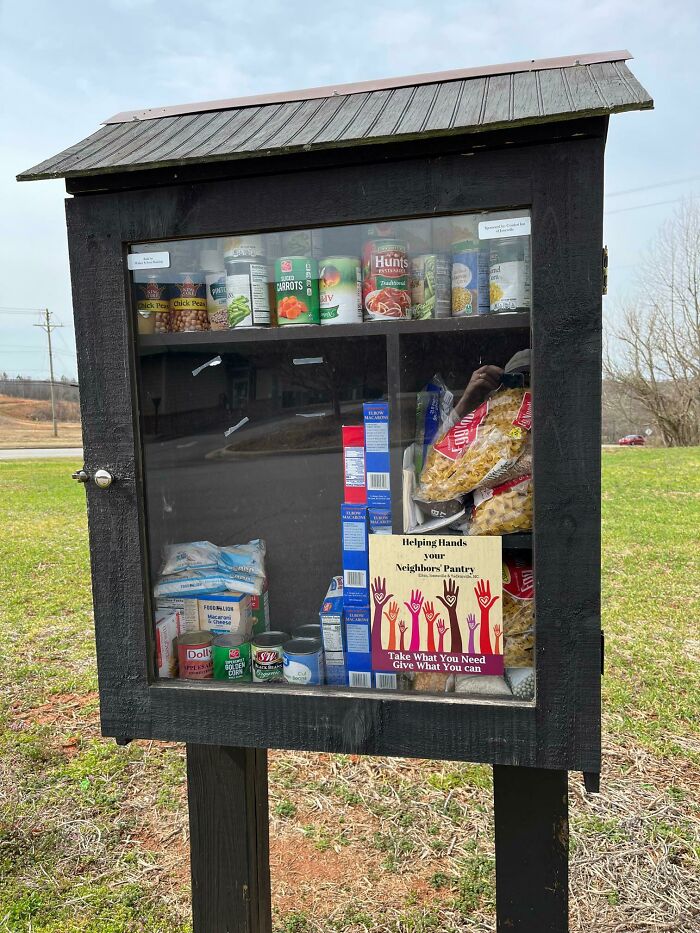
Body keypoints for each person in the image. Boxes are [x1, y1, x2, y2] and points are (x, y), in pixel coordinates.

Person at [452, 349, 530, 422]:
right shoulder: (494, 422)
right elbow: (444, 436)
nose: (526, 393)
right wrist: (466, 402)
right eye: (517, 385)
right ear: (505, 390)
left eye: (532, 384)